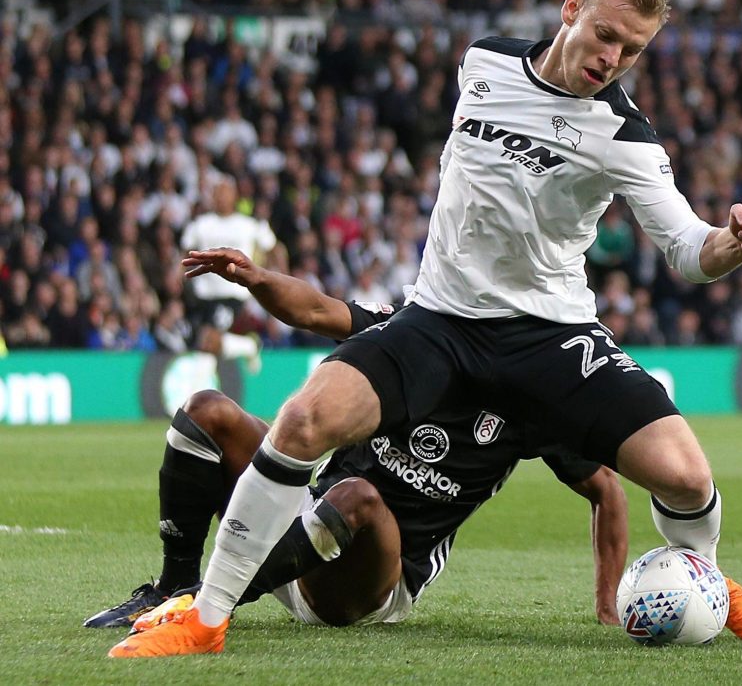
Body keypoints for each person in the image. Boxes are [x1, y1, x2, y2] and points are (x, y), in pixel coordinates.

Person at [110, 0, 742, 658]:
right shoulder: (485, 64)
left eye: (633, 49)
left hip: (546, 334)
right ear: (572, 9)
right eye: (606, 35)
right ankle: (205, 617)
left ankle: (707, 580)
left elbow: (687, 247)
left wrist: (733, 239)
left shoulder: (625, 138)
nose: (614, 57)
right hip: (438, 319)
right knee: (307, 417)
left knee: (686, 475)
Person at [88, 248, 627, 631]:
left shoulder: (527, 396)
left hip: (367, 582)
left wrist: (607, 605)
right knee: (206, 411)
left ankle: (208, 605)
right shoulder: (412, 335)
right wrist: (257, 279)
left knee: (361, 499)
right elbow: (318, 310)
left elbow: (607, 489)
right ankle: (172, 588)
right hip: (302, 521)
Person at [179, 176, 280, 367]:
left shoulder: (248, 224)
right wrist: (178, 278)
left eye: (226, 192)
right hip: (202, 296)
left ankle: (250, 346)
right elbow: (184, 254)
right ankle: (244, 348)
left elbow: (274, 248)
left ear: (235, 196)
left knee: (209, 340)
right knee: (200, 347)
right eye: (217, 192)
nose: (221, 197)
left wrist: (271, 276)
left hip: (232, 294)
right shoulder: (201, 224)